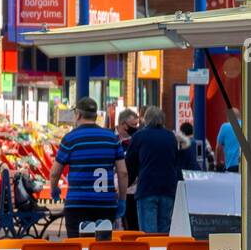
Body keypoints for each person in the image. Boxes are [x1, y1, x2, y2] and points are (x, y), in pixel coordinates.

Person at [50, 97, 127, 237]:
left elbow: (55, 173)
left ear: (78, 114)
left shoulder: (70, 139)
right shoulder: (112, 138)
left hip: (77, 204)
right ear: (96, 116)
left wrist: (54, 189)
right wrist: (122, 200)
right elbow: (123, 173)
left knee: (78, 247)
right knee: (102, 249)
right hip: (105, 205)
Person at [125, 106, 183, 234]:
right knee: (164, 231)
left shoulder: (139, 137)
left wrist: (125, 186)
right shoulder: (171, 137)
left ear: (146, 119)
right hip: (168, 190)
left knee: (149, 233)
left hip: (147, 189)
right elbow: (175, 163)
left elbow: (130, 166)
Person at [116, 108, 141, 229]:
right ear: (122, 125)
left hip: (133, 191)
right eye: (133, 125)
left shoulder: (137, 141)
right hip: (115, 191)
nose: (135, 128)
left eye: (137, 125)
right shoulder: (112, 139)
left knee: (132, 226)